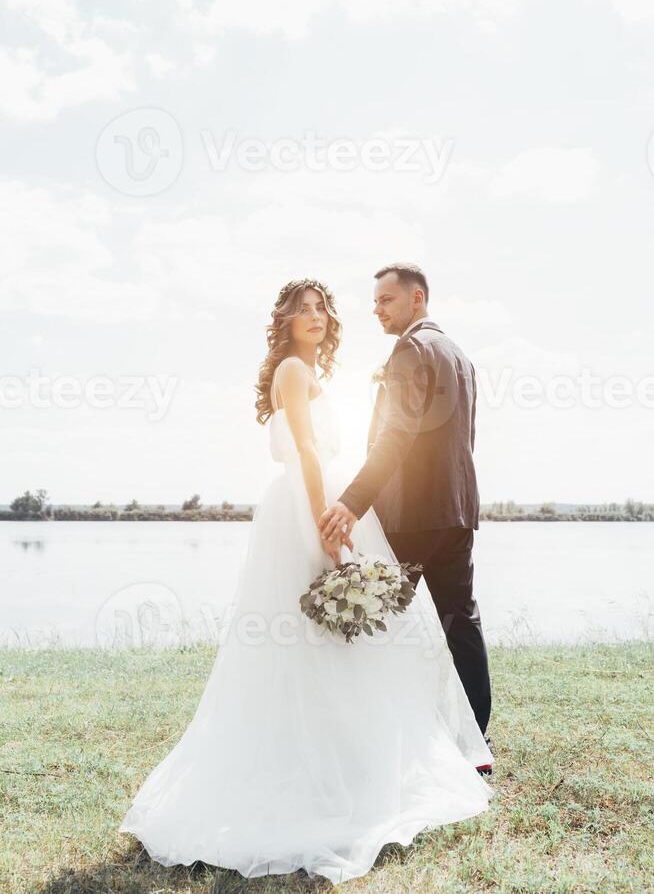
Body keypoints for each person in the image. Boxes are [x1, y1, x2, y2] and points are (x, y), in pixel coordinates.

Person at [119, 277, 493, 886]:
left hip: (326, 506)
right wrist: (329, 523)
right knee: (309, 633)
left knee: (340, 638)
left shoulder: (321, 373)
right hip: (305, 509)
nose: (315, 317)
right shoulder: (293, 373)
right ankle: (309, 763)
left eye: (322, 308)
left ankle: (349, 755)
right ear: (285, 322)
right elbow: (310, 454)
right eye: (303, 310)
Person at [320, 263, 493, 746]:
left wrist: (352, 503)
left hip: (413, 516)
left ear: (417, 299)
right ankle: (474, 737)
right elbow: (468, 437)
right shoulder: (458, 354)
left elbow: (395, 437)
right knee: (461, 620)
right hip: (457, 510)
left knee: (376, 621)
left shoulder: (411, 350)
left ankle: (374, 733)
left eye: (386, 300)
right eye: (374, 301)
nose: (376, 309)